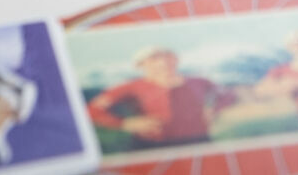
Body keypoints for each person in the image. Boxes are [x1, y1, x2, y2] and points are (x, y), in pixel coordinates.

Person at [86, 48, 227, 147]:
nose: (163, 62)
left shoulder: (199, 81)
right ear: (141, 65)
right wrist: (125, 123)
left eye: (167, 57)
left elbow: (226, 95)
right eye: (154, 59)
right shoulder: (129, 87)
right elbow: (92, 110)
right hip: (152, 145)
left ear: (176, 60)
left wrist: (214, 109)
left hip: (198, 141)